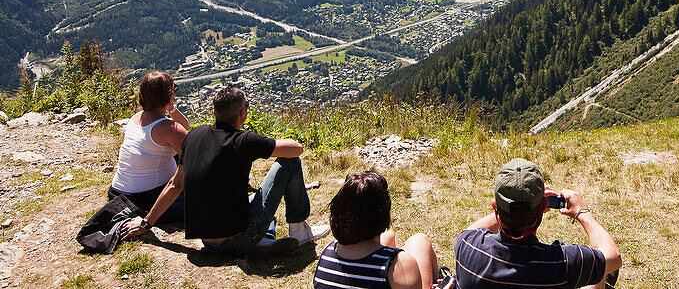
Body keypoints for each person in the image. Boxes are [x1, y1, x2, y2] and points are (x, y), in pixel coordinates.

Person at [121, 84, 329, 259]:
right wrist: (264, 143)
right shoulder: (243, 140)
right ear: (242, 113)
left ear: (214, 112)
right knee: (289, 162)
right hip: (235, 238)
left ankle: (262, 242)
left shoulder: (194, 136)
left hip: (207, 240)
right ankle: (297, 231)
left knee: (253, 202)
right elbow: (296, 148)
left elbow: (175, 185)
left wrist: (147, 222)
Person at [454, 159, 621, 289]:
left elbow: (468, 232)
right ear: (542, 208)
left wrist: (507, 207)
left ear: (495, 206)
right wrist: (583, 213)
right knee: (601, 270)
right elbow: (613, 256)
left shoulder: (468, 247)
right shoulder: (563, 264)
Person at [314, 172, 441, 289]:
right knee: (419, 241)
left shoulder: (327, 252)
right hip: (390, 272)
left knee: (388, 236)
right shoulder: (401, 263)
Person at [108, 71, 188, 219]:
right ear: (168, 95)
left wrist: (170, 108)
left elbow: (184, 126)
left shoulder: (136, 118)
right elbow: (195, 164)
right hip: (146, 200)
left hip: (117, 194)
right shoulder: (169, 130)